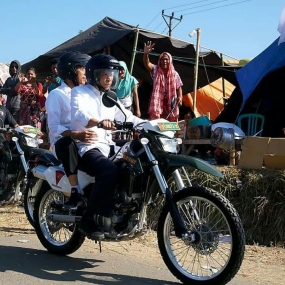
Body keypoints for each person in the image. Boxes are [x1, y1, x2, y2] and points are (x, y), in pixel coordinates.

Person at [70, 54, 144, 240]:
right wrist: (99, 122)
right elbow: (79, 114)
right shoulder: (80, 93)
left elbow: (128, 117)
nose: (109, 77)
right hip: (88, 147)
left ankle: (120, 212)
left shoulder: (111, 97)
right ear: (94, 75)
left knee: (132, 166)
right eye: (105, 73)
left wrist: (153, 125)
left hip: (108, 147)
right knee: (109, 171)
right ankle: (89, 220)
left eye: (112, 73)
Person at [45, 51, 97, 207]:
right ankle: (75, 191)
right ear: (71, 70)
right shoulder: (57, 95)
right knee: (68, 143)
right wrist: (76, 134)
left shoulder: (87, 94)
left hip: (86, 140)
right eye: (82, 68)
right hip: (64, 143)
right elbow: (53, 127)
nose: (86, 73)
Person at [143, 41, 183, 122]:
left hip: (171, 100)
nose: (164, 61)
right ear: (159, 61)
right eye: (162, 59)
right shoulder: (156, 70)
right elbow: (147, 63)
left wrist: (180, 97)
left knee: (171, 123)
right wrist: (146, 54)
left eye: (166, 59)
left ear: (170, 61)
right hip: (158, 100)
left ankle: (171, 134)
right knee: (157, 123)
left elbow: (179, 87)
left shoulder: (175, 74)